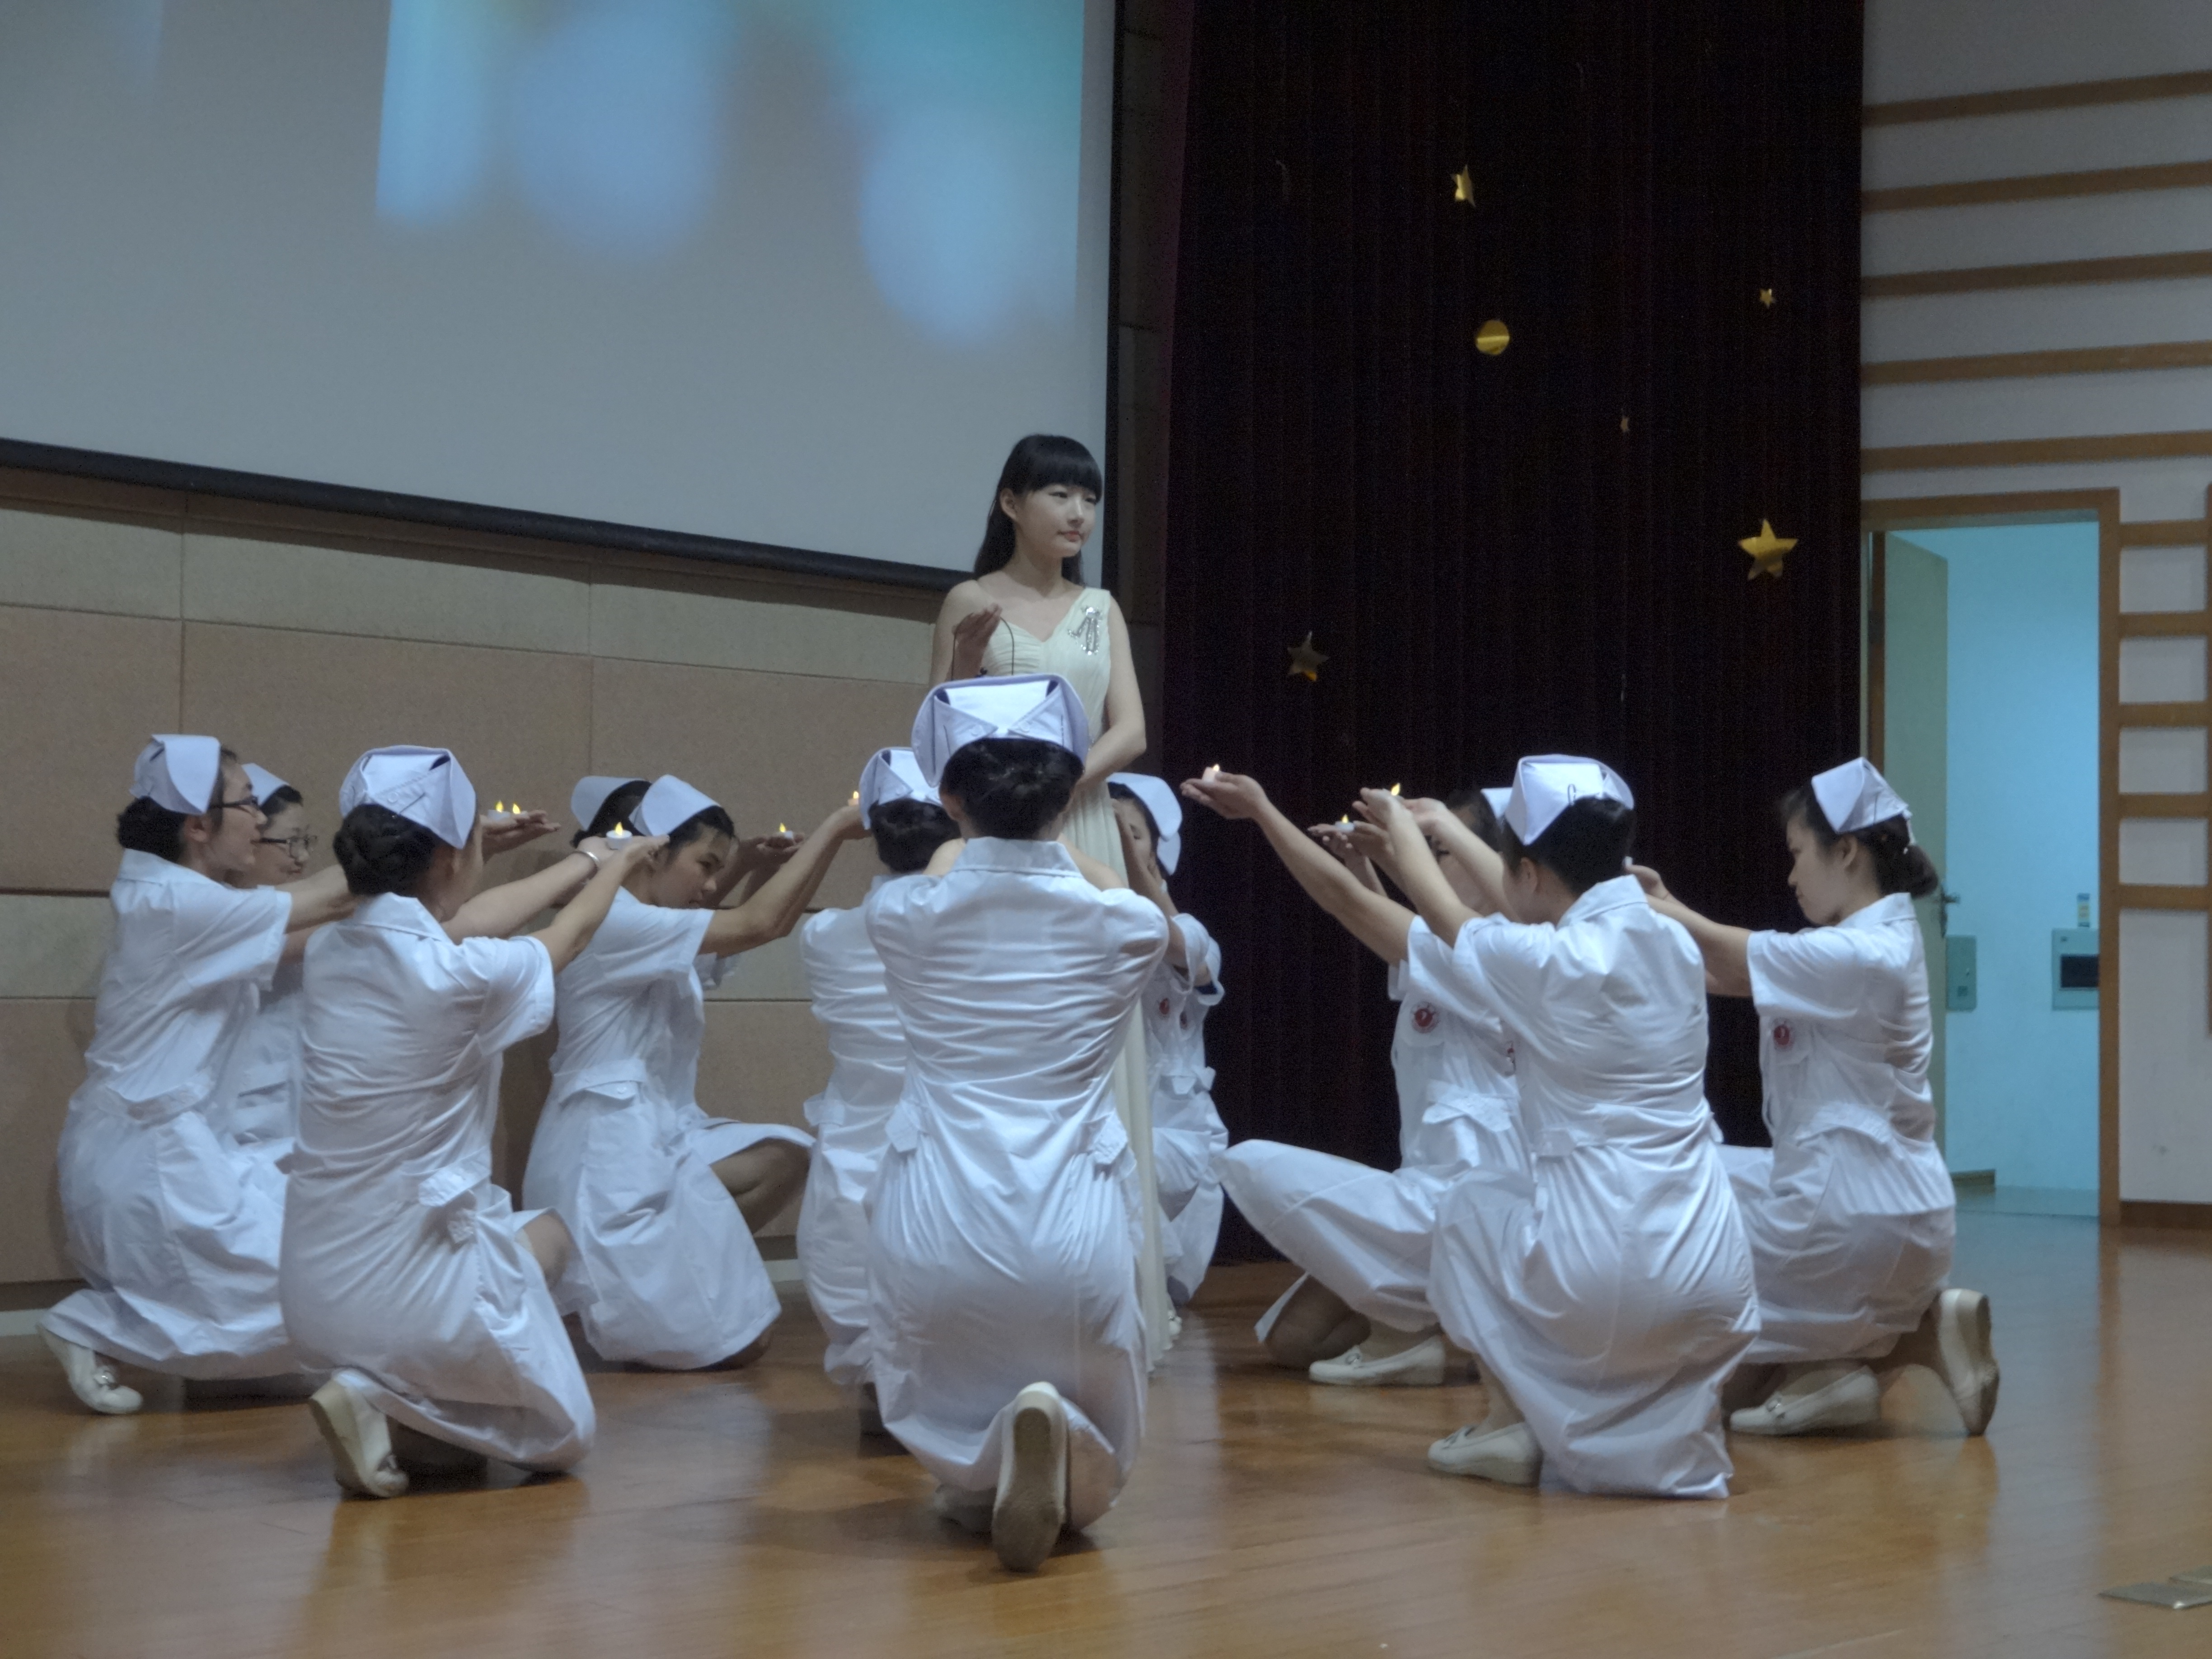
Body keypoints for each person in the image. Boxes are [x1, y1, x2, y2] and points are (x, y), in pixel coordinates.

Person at [1356, 756, 1757, 1497]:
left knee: (1466, 1209)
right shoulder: (1671, 941)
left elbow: (1444, 916)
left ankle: (1506, 1422)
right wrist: (1445, 826)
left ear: (1529, 872)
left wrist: (1401, 832)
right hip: (1714, 1269)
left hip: (1609, 1270)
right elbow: (1536, 891)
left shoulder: (1544, 959)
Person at [281, 746, 661, 1498]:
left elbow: (460, 918)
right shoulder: (460, 974)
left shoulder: (329, 950)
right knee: (560, 1434)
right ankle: (379, 1394)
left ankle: (387, 1402)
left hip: (311, 1287)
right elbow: (567, 938)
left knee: (542, 1244)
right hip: (410, 1287)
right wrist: (617, 865)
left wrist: (583, 859)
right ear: (450, 856)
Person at [867, 675, 1167, 1571]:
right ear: (1066, 795)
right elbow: (1116, 894)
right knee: (1097, 1407)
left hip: (939, 1217)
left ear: (950, 798)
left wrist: (976, 841)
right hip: (1072, 1226)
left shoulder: (899, 916)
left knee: (938, 1389)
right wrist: (1056, 838)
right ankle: (1051, 1436)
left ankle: (982, 1470)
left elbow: (943, 877)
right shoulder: (1129, 928)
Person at [1635, 758, 1999, 1437]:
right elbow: (1727, 971)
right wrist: (1666, 907)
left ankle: (1871, 1354)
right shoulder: (1859, 946)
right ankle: (1863, 1358)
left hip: (1858, 1216)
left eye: (1799, 853)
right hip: (1879, 1208)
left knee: (1669, 1250)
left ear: (1847, 851)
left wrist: (1640, 908)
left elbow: (1734, 960)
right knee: (1690, 1176)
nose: (1791, 875)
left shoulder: (1867, 956)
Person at [930, 434, 1172, 1357]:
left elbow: (1132, 728)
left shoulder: (1101, 608)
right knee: (1013, 1033)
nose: (1078, 514)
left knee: (1098, 1040)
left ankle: (1110, 1295)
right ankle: (1002, 1289)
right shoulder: (970, 600)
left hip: (1084, 824)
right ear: (1011, 503)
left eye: (1089, 498)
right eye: (1059, 495)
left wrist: (1062, 786)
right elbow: (937, 729)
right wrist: (962, 664)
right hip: (998, 835)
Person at [40, 737, 354, 1414]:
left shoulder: (176, 894)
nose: (260, 822)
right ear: (197, 826)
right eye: (247, 805)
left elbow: (316, 928)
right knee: (310, 1294)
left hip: (158, 1148)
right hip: (150, 1159)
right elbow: (331, 900)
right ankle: (91, 1326)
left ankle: (114, 1329)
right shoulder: (178, 903)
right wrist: (427, 837)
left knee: (319, 1276)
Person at [1179, 773, 1520, 1387]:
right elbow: (1387, 925)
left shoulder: (1501, 956)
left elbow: (1348, 905)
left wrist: (1263, 812)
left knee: (1252, 1163)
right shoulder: (1462, 951)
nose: (1430, 862)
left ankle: (1460, 1319)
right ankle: (1452, 1330)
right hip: (1433, 1197)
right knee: (1295, 1342)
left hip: (1471, 1212)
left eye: (1443, 849)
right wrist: (1371, 864)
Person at [523, 774, 862, 1371]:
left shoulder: (643, 921)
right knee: (740, 1343)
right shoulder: (616, 922)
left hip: (660, 1136)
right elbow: (758, 924)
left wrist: (750, 867)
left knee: (786, 1156)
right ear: (653, 852)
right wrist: (835, 829)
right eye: (705, 865)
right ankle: (620, 1294)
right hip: (604, 1160)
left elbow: (719, 936)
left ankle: (673, 1271)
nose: (709, 886)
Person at [794, 748, 961, 1424]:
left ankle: (878, 1394)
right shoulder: (971, 929)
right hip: (951, 1138)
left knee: (857, 1281)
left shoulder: (823, 934)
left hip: (854, 1142)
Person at [1109, 773, 1228, 1308]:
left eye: (1131, 833)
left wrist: (1135, 872)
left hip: (1176, 1141)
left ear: (1158, 852)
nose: (1117, 843)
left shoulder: (1193, 933)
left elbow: (1182, 951)